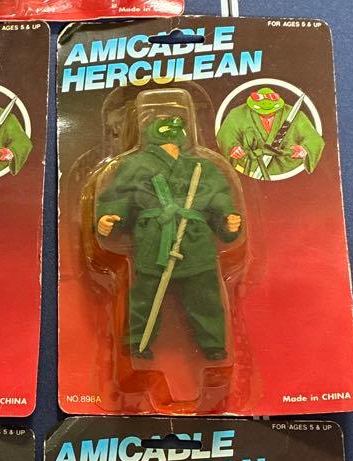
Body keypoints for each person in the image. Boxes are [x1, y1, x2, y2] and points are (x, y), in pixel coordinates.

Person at [95, 114, 241, 360]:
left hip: (194, 236)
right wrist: (108, 217)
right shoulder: (136, 164)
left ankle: (214, 344)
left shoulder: (201, 166)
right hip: (154, 235)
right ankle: (137, 343)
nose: (171, 144)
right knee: (145, 294)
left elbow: (219, 197)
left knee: (204, 293)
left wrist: (227, 218)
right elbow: (120, 195)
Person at [216, 87, 324, 179]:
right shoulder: (238, 114)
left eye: (271, 112)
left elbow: (314, 140)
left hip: (286, 167)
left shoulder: (296, 115)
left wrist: (304, 150)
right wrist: (233, 148)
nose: (267, 115)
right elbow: (225, 136)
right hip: (252, 167)